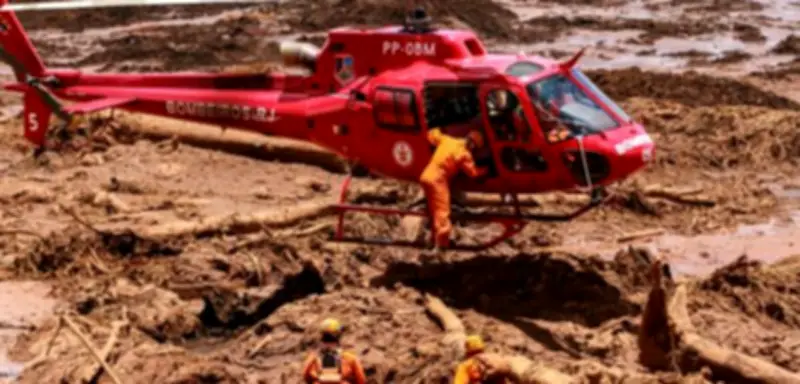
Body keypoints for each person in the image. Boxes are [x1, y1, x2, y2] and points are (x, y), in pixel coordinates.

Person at [420, 128, 488, 251]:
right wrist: (486, 171)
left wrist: (436, 128)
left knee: (433, 210)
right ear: (473, 145)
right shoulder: (464, 154)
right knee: (443, 212)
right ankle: (442, 246)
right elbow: (473, 174)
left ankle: (433, 239)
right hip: (438, 181)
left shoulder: (448, 140)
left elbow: (431, 135)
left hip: (425, 176)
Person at [302, 318, 366, 384]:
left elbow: (306, 376)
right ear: (339, 337)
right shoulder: (350, 358)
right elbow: (361, 379)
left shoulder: (313, 358)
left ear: (321, 337)